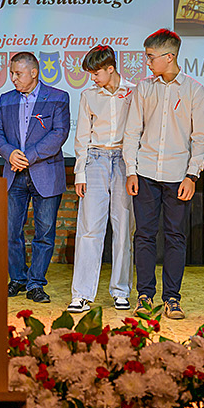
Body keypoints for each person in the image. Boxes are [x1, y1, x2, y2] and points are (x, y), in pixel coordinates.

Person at [123, 29, 204, 321]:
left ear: (169, 57)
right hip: (145, 173)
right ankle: (144, 295)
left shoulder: (194, 90)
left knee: (175, 237)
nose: (147, 62)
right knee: (144, 236)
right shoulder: (144, 88)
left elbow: (201, 138)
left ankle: (172, 298)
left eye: (151, 57)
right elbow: (132, 131)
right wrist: (131, 170)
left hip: (178, 175)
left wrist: (192, 175)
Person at [0, 51, 71, 304]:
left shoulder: (58, 97)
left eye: (18, 73)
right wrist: (9, 153)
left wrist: (29, 156)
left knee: (44, 233)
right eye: (11, 73)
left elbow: (59, 133)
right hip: (14, 174)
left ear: (33, 73)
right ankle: (18, 278)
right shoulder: (6, 99)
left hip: (45, 173)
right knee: (10, 231)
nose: (13, 78)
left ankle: (36, 283)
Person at [69, 45, 135, 313]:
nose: (93, 78)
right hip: (95, 159)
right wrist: (80, 172)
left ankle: (121, 290)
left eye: (96, 73)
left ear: (111, 68)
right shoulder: (88, 96)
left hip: (124, 160)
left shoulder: (134, 92)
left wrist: (133, 168)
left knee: (123, 228)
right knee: (89, 228)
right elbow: (82, 136)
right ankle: (81, 294)